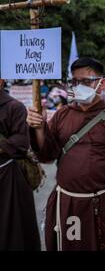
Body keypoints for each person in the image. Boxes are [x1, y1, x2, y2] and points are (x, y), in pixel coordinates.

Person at [27, 57, 105, 251]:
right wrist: (39, 128)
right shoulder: (63, 114)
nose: (79, 86)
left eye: (86, 81)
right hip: (67, 202)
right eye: (75, 81)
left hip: (102, 205)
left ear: (102, 84)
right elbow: (47, 154)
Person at [0, 79, 41, 251]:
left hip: (7, 180)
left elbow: (21, 144)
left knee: (11, 233)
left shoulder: (14, 107)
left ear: (1, 81)